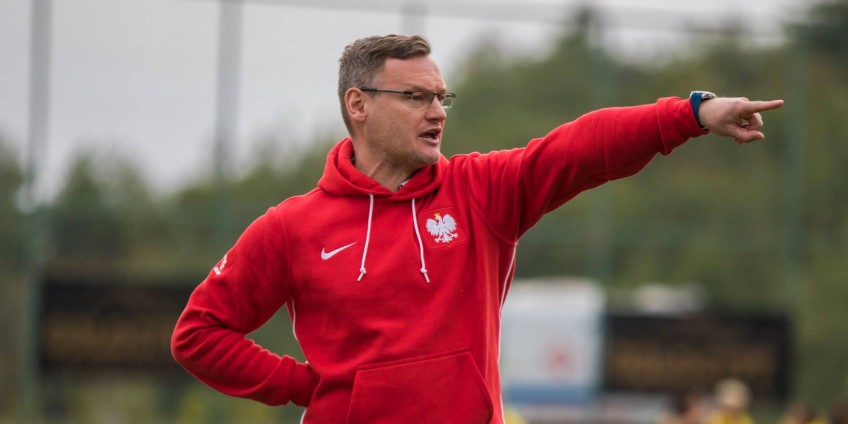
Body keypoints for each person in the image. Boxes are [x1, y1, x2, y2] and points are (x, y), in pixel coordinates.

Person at [171, 34, 784, 423]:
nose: (437, 112)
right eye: (416, 97)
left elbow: (577, 149)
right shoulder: (292, 226)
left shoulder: (480, 190)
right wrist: (301, 384)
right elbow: (198, 334)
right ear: (358, 105)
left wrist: (690, 113)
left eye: (442, 97)